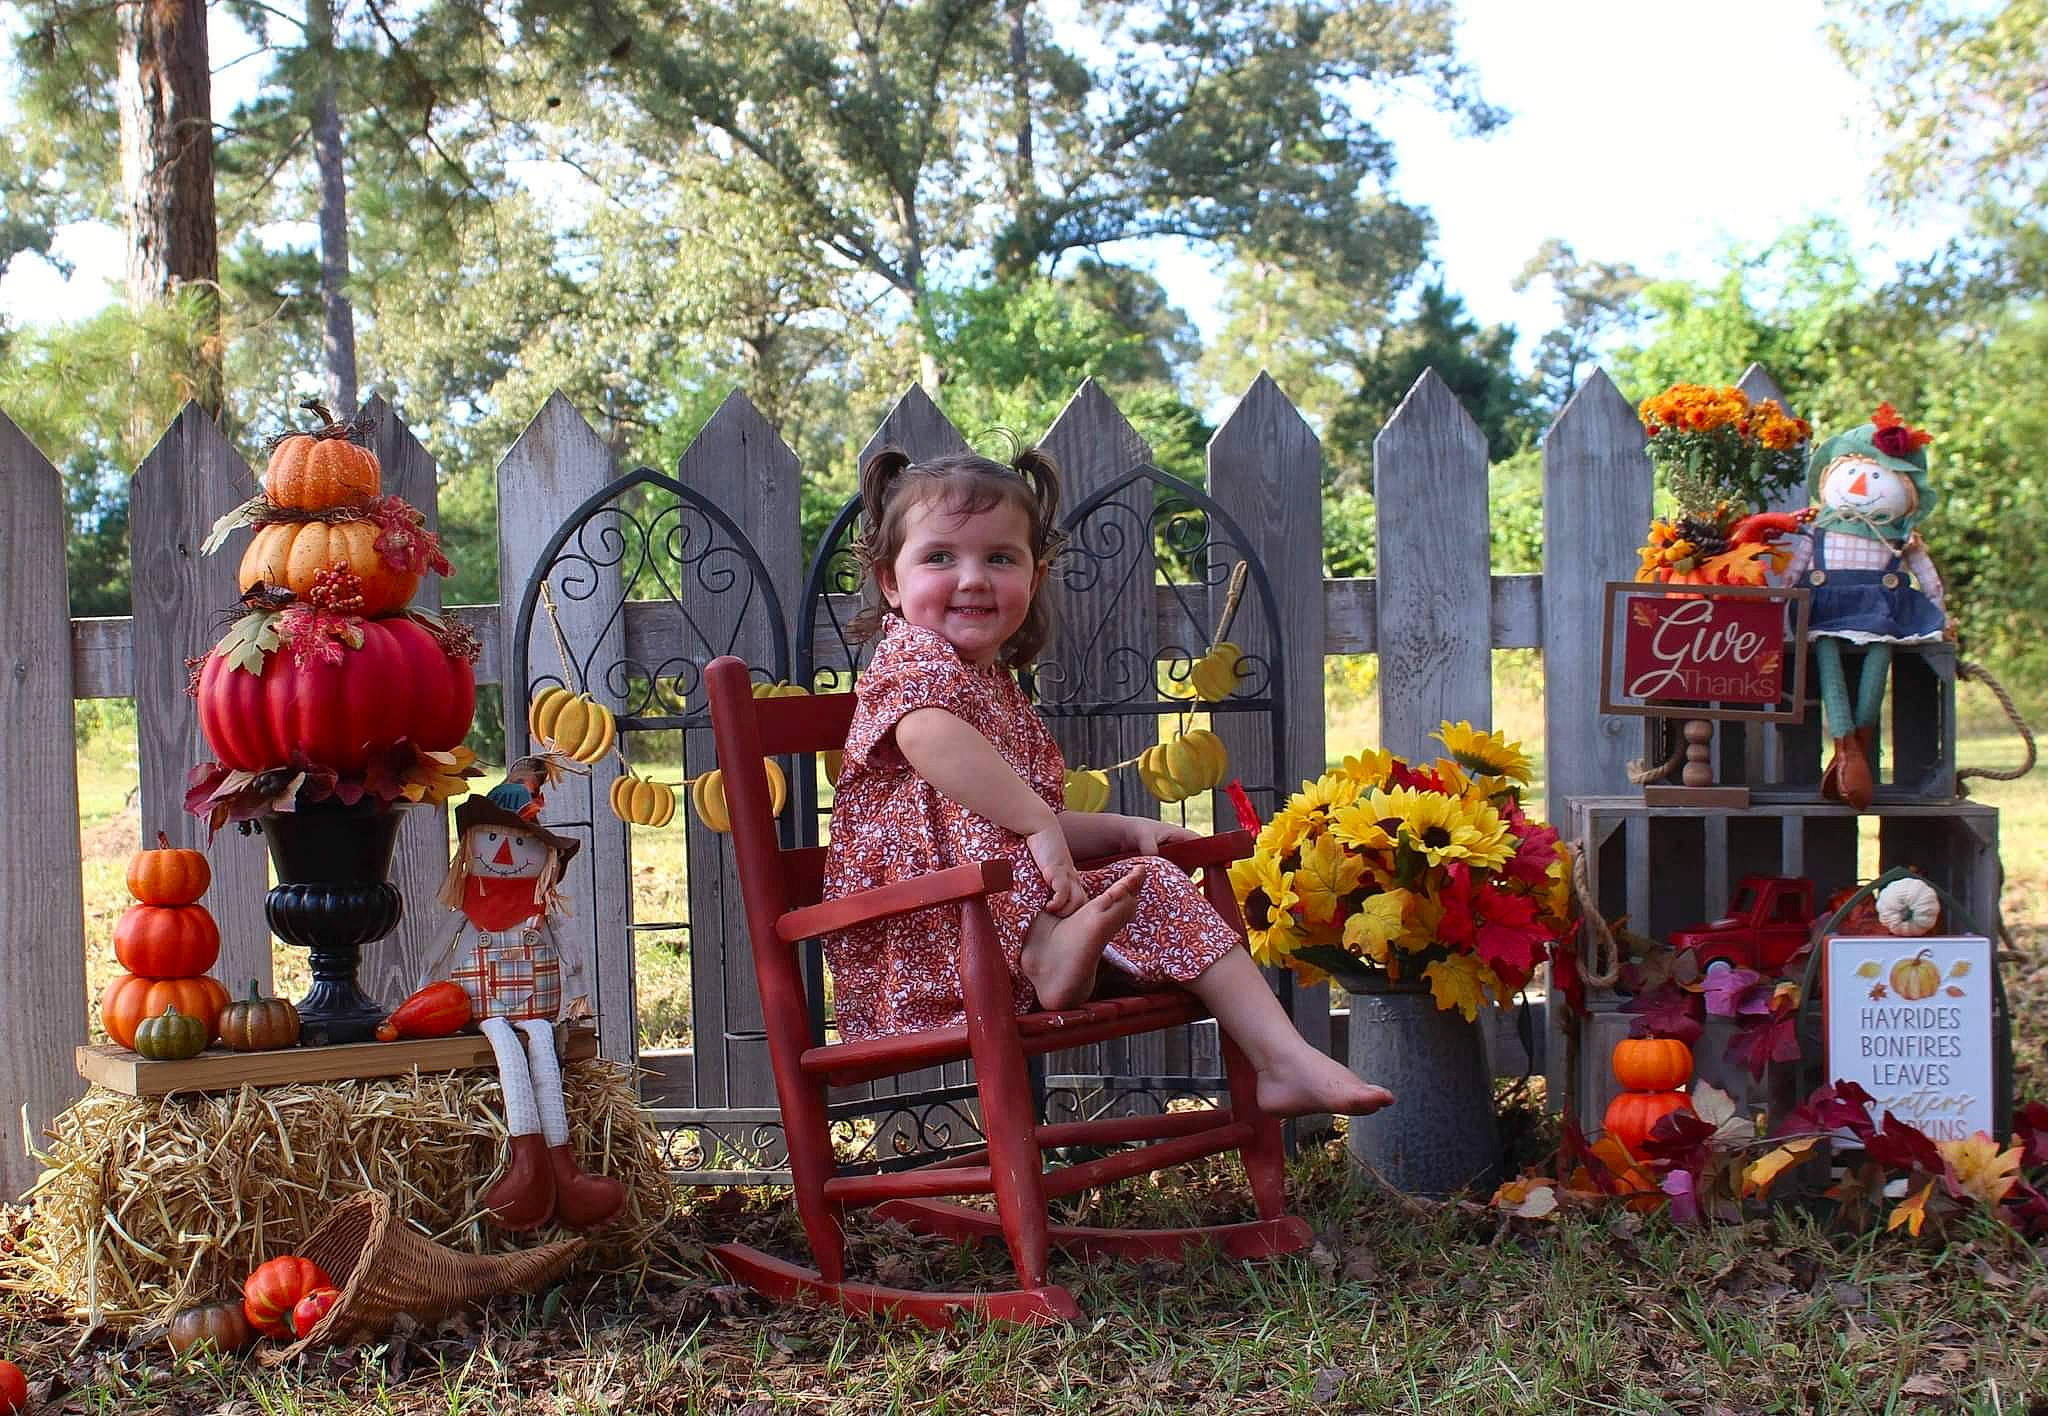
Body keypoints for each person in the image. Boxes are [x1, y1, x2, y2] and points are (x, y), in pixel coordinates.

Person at [821, 445, 1393, 1120]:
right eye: (940, 557)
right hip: (924, 931)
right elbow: (929, 742)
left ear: (1032, 580)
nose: (973, 578)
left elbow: (1018, 816)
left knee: (1153, 881)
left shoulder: (994, 688)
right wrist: (1037, 822)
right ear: (891, 581)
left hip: (992, 913)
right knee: (996, 803)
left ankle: (1283, 1060)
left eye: (1000, 558)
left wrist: (1126, 829)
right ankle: (1048, 950)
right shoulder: (911, 662)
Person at [418, 759, 625, 1231]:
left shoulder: (540, 908)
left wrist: (577, 994)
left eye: (517, 842)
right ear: (472, 846)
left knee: (543, 1057)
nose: (506, 854)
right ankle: (530, 1164)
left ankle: (562, 1169)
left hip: (537, 1010)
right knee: (511, 1057)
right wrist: (429, 990)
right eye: (492, 840)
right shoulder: (470, 906)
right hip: (486, 1012)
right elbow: (438, 952)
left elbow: (570, 956)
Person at [1771, 404, 1948, 811]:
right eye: (1852, 474)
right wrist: (1779, 612)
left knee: (1880, 651)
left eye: (1874, 477)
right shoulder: (1818, 533)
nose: (1862, 486)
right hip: (1825, 607)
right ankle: (1848, 745)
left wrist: (1939, 610)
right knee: (1827, 652)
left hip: (1879, 608)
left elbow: (1926, 573)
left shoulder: (1899, 537)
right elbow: (1791, 576)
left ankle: (1854, 749)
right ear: (1832, 477)